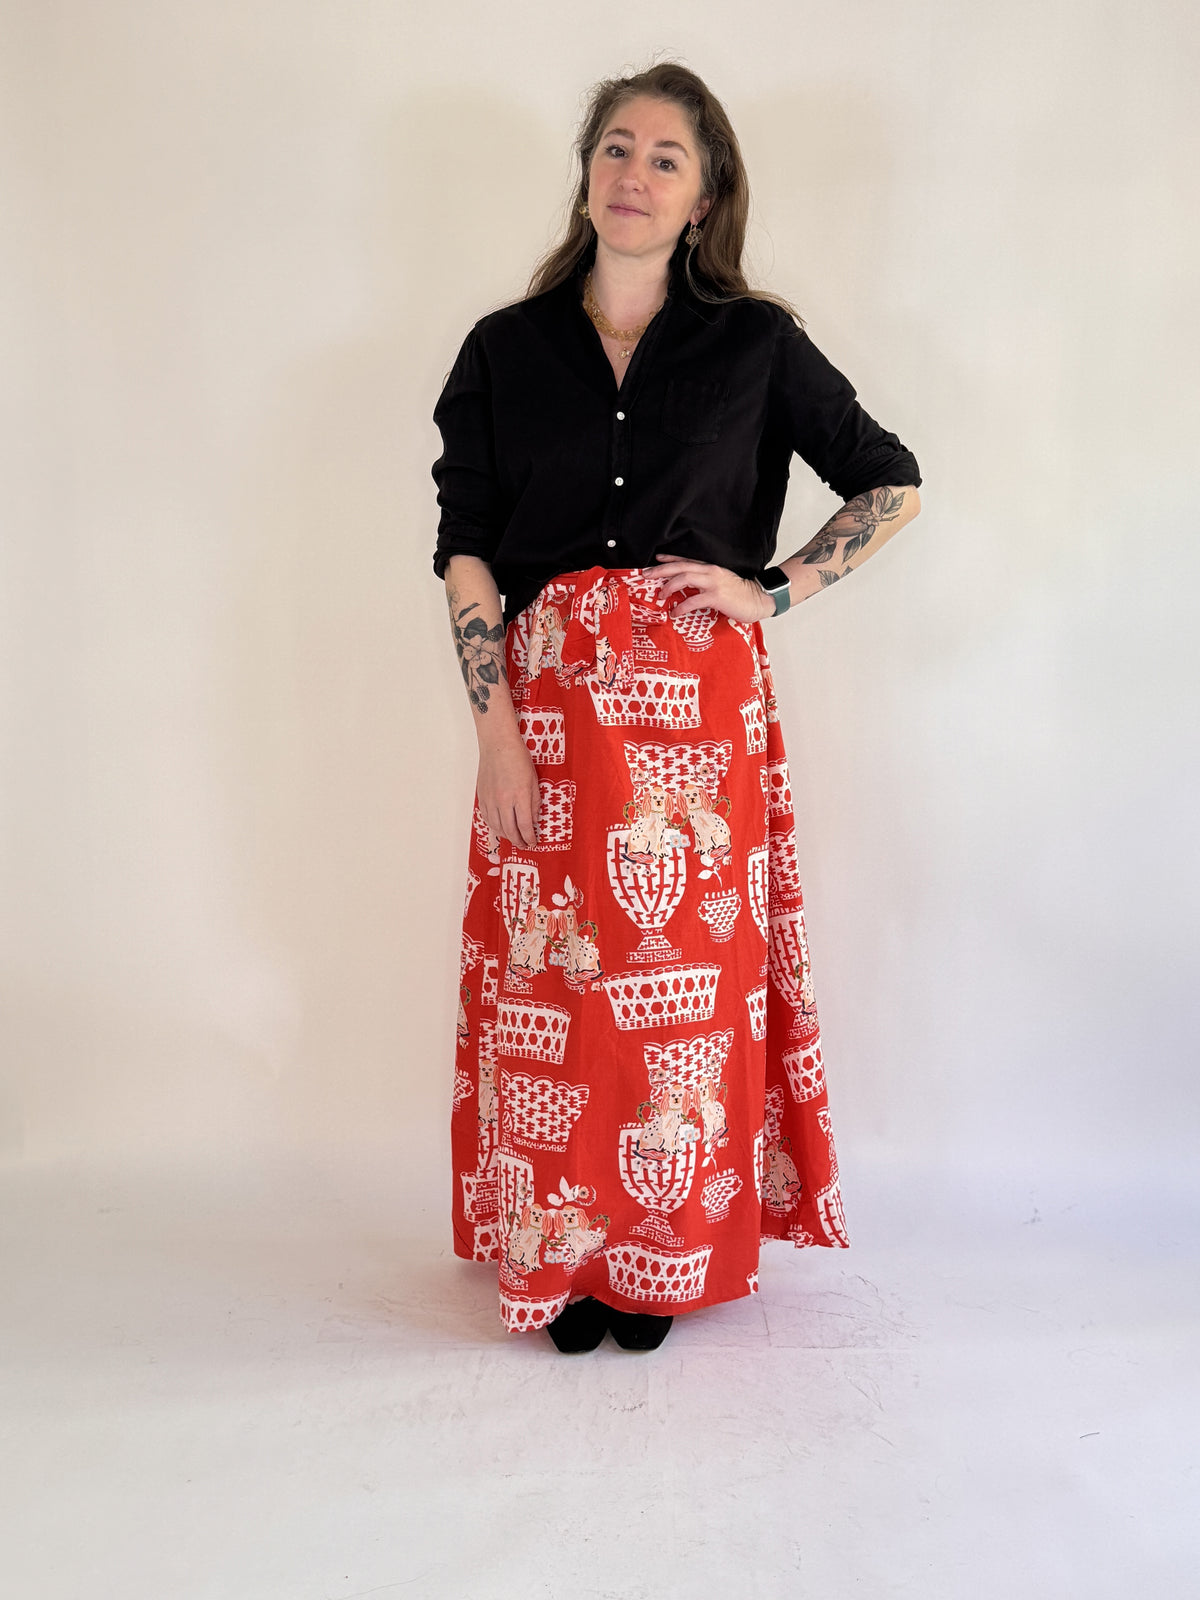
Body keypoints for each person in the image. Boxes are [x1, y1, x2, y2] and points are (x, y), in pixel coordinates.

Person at [430, 63, 922, 1354]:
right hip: (542, 712)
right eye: (616, 147)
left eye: (666, 159)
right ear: (586, 170)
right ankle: (563, 1251)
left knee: (678, 1002)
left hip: (694, 721)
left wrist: (774, 589)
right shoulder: (504, 349)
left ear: (704, 200)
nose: (634, 174)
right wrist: (494, 732)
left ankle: (657, 1254)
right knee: (552, 986)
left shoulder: (754, 343)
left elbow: (890, 480)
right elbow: (468, 546)